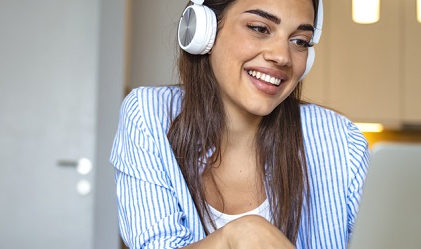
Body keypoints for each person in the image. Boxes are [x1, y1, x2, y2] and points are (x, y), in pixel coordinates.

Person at [110, 0, 369, 248]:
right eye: (259, 28)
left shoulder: (341, 142)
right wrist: (237, 235)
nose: (282, 57)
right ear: (205, 31)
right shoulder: (149, 116)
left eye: (299, 41)